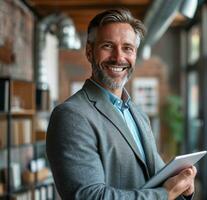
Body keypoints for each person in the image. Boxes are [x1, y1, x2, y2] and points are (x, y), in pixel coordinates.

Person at [46, 8, 197, 200]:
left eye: (128, 48)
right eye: (108, 46)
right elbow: (89, 196)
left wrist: (184, 187)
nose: (119, 57)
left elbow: (157, 174)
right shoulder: (71, 116)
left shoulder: (136, 113)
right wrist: (165, 194)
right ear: (90, 52)